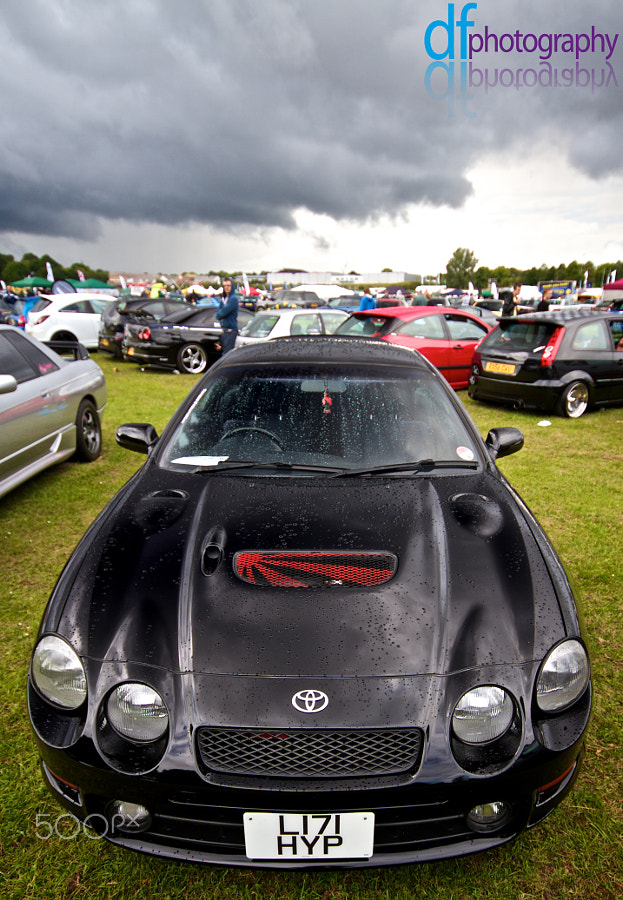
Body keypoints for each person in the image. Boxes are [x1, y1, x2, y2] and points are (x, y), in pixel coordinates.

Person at [216, 277, 239, 354]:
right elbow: (217, 314)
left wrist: (220, 314)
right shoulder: (224, 299)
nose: (226, 287)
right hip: (224, 331)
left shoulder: (233, 299)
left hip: (231, 332)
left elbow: (222, 313)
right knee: (224, 355)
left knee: (227, 355)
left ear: (232, 286)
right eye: (225, 285)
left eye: (228, 285)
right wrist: (219, 314)